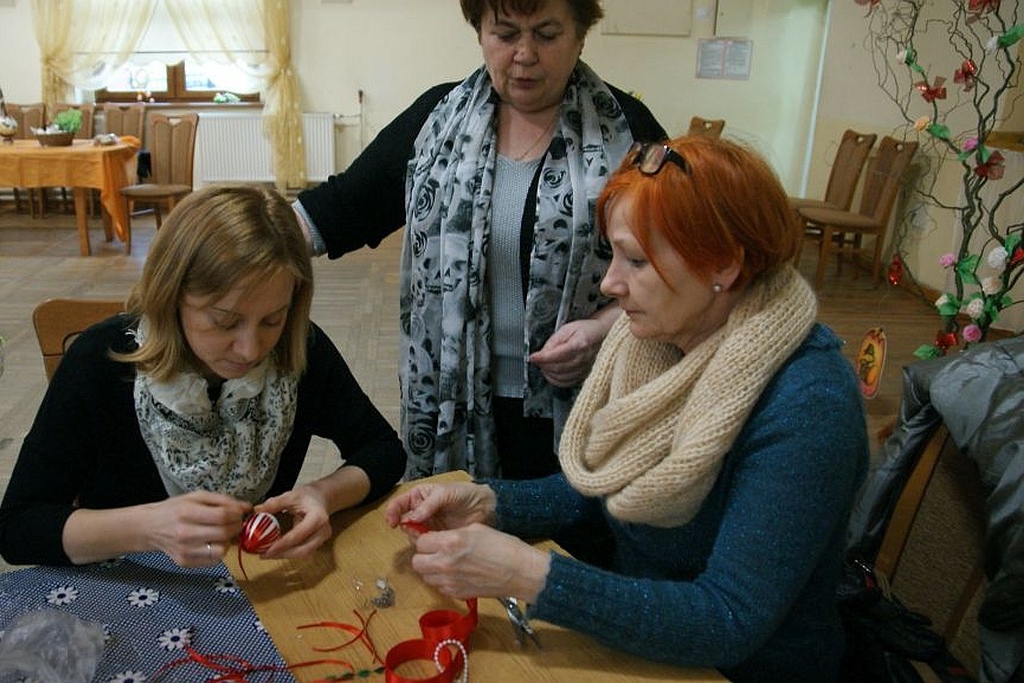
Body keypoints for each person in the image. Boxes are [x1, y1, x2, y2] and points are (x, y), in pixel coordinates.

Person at [384, 136, 870, 683]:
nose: (610, 283)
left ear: (726, 265)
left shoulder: (809, 404)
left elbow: (729, 619)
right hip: (644, 650)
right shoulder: (665, 342)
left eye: (636, 260)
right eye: (615, 255)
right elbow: (612, 491)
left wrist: (529, 574)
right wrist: (494, 504)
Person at [294, 0, 666, 481]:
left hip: (589, 399)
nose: (524, 54)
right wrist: (227, 242)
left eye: (546, 34)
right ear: (479, 33)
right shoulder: (436, 121)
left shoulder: (627, 131)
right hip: (455, 401)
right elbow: (337, 210)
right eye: (505, 34)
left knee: (569, 524)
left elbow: (675, 270)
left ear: (580, 36)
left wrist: (603, 330)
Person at [0, 185, 406, 568]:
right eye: (225, 322)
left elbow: (383, 450)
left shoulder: (298, 350)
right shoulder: (101, 361)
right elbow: (18, 527)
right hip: (124, 579)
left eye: (272, 319)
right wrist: (147, 527)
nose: (251, 349)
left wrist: (323, 495)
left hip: (251, 577)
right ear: (172, 297)